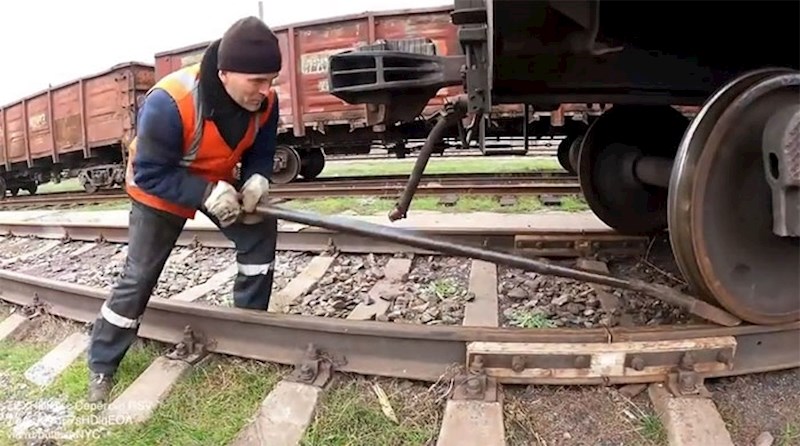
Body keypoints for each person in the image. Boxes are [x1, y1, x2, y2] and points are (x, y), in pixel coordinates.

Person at [85, 16, 283, 403]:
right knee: (139, 276)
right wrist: (203, 192)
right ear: (225, 73)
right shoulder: (169, 101)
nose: (266, 90)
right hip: (159, 189)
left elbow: (261, 149)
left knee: (259, 232)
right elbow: (149, 173)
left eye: (271, 79)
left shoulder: (266, 101)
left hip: (219, 183)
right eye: (256, 81)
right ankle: (101, 365)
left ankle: (249, 330)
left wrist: (258, 178)